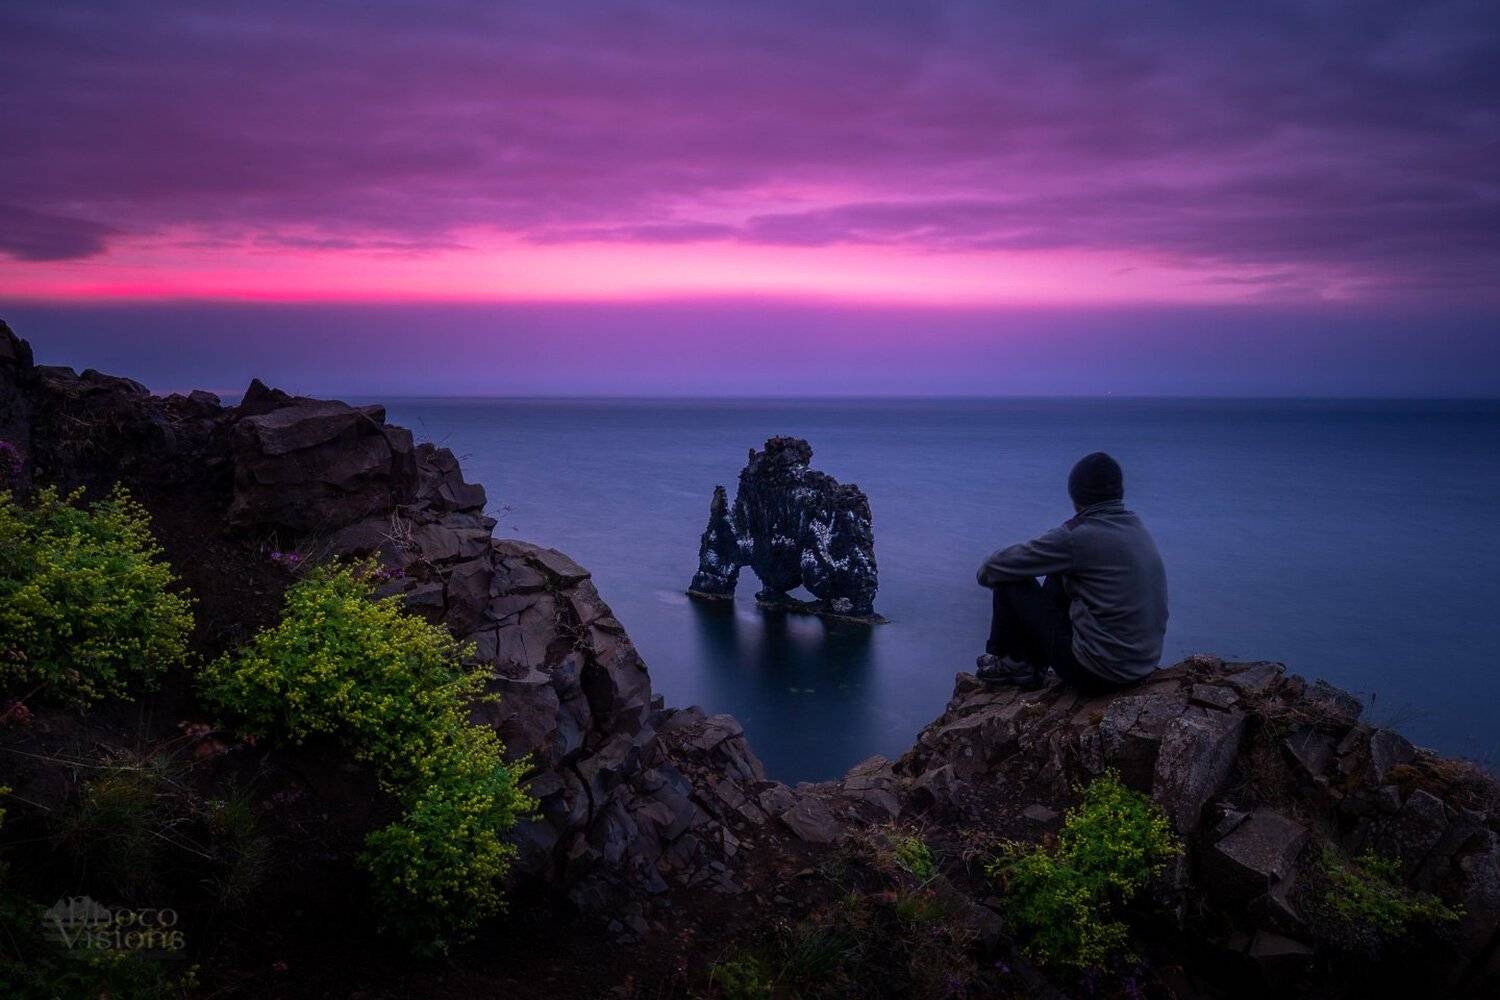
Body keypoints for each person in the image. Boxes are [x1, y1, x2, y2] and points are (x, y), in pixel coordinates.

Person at [975, 452, 1167, 692]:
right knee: (1060, 572)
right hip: (1142, 665)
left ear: (1076, 495)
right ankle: (1025, 661)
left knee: (1010, 579)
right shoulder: (1135, 526)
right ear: (1119, 494)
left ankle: (1011, 663)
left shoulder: (1077, 536)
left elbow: (991, 569)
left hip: (1096, 673)